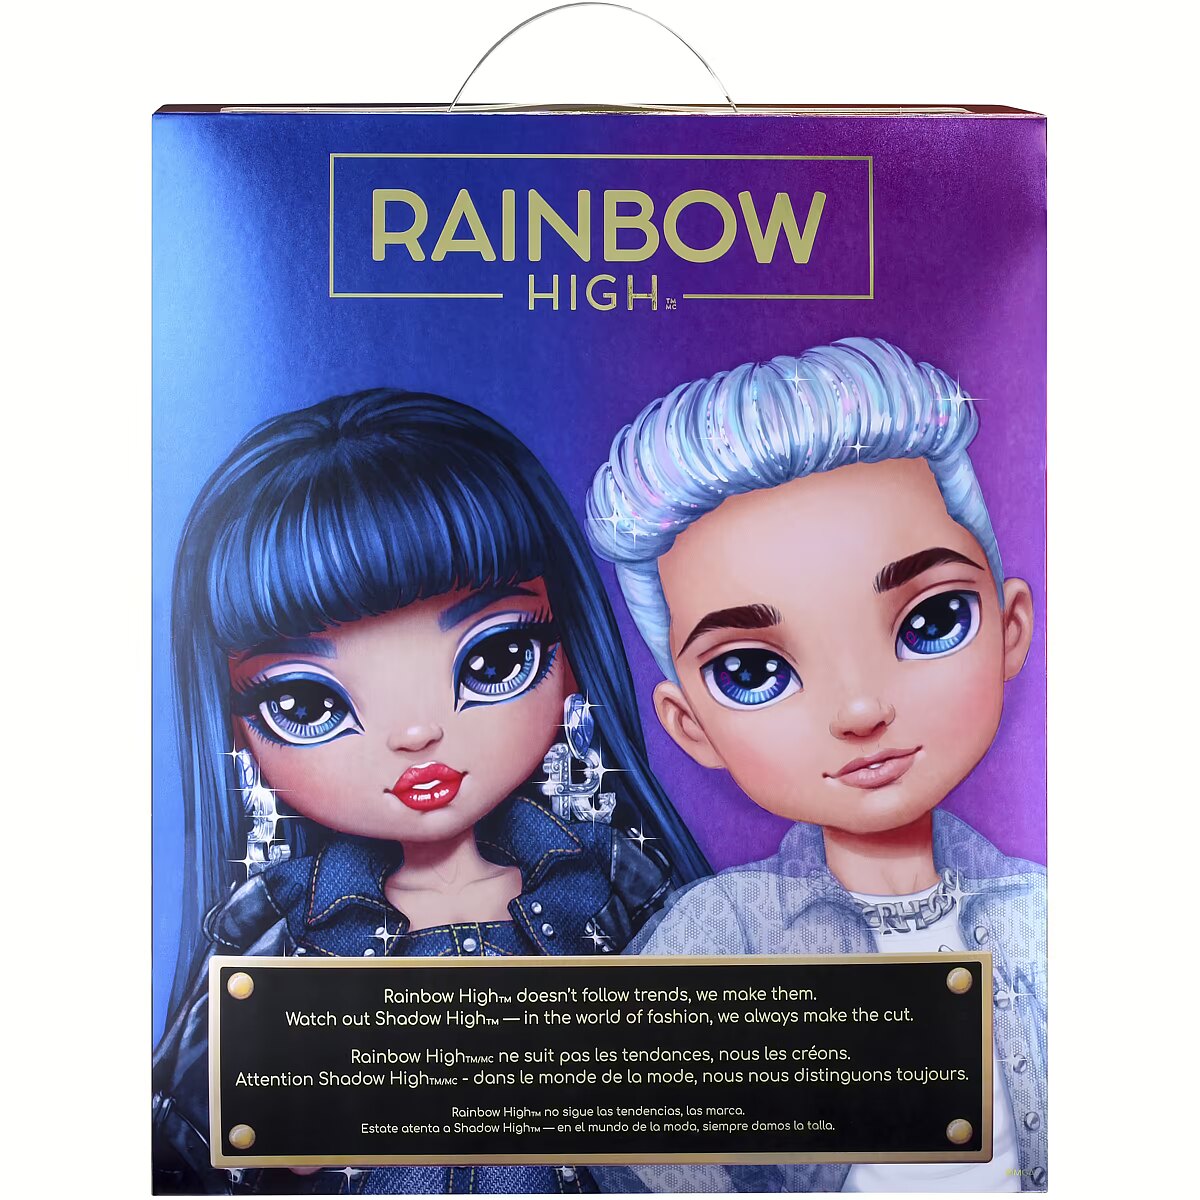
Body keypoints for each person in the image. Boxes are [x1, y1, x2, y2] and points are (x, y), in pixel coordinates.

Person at [152, 389, 709, 1194]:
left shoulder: (610, 886)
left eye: (493, 660)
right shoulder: (282, 930)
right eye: (307, 703)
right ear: (239, 730)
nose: (416, 734)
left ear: (572, 657)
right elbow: (182, 1156)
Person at [584, 338, 1046, 1192]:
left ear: (1011, 628)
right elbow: (638, 1134)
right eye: (752, 672)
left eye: (932, 622)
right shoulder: (720, 937)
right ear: (690, 726)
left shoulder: (1044, 916)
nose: (860, 709)